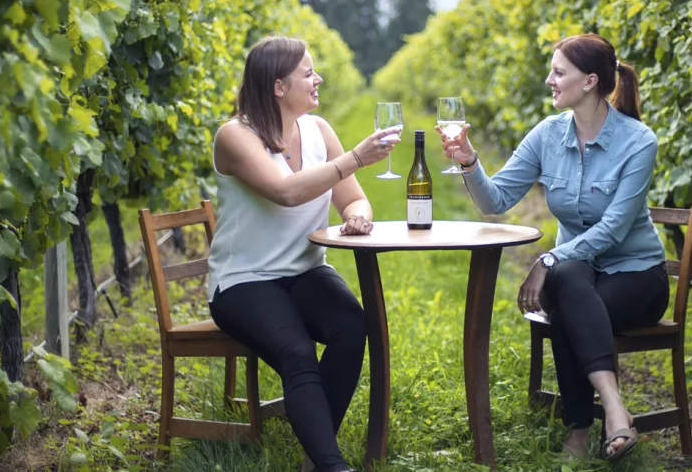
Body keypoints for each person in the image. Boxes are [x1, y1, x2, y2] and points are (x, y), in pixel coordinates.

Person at [437, 34, 668, 461]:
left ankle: (579, 430)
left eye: (559, 72)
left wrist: (548, 258)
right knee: (570, 287)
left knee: (565, 300)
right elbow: (496, 201)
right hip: (578, 274)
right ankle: (614, 411)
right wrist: (468, 160)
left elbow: (615, 229)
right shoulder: (548, 134)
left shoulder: (638, 141)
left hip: (636, 276)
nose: (549, 80)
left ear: (590, 81)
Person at [208, 35, 400, 472]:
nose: (319, 79)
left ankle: (314, 460)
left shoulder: (318, 131)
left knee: (352, 327)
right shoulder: (235, 136)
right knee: (297, 354)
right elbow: (285, 193)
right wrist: (354, 157)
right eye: (308, 73)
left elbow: (354, 198)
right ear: (278, 86)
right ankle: (332, 466)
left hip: (306, 271)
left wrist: (358, 215)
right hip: (244, 280)